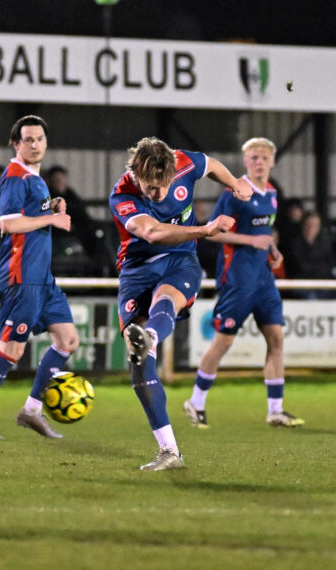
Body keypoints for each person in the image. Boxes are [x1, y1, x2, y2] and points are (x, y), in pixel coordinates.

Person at [109, 136, 252, 471]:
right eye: (150, 186)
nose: (158, 193)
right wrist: (205, 230)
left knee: (166, 299)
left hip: (180, 261)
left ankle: (150, 336)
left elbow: (210, 165)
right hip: (137, 270)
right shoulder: (122, 194)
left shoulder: (184, 162)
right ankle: (169, 451)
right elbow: (153, 233)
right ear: (136, 175)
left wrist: (234, 184)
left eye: (163, 185)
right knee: (140, 368)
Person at [0, 115, 79, 440]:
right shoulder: (15, 175)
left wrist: (50, 205)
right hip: (22, 275)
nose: (35, 145)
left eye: (40, 139)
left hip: (42, 278)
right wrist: (52, 219)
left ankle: (32, 410)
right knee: (11, 350)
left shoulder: (33, 177)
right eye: (28, 139)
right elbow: (8, 223)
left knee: (68, 340)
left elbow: (18, 212)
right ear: (16, 144)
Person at [184, 137, 304, 430]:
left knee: (276, 338)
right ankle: (195, 402)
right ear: (246, 161)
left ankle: (275, 411)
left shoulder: (272, 193)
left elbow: (264, 231)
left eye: (264, 157)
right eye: (254, 157)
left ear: (272, 161)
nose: (259, 162)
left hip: (263, 279)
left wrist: (272, 249)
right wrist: (251, 241)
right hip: (237, 278)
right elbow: (212, 232)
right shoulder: (235, 192)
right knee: (224, 340)